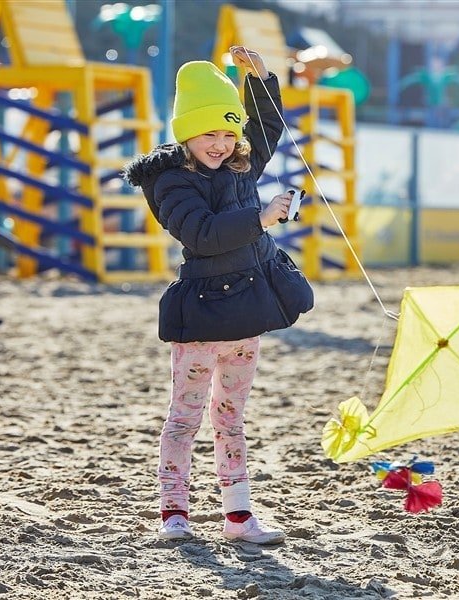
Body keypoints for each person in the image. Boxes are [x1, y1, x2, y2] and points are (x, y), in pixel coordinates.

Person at [122, 48, 292, 544]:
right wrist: (261, 219)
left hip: (247, 313)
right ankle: (174, 510)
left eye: (226, 133)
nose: (219, 144)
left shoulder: (241, 165)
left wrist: (260, 79)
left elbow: (266, 126)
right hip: (200, 315)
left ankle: (239, 516)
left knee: (231, 418)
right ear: (185, 133)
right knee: (185, 417)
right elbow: (200, 233)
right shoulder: (172, 180)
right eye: (207, 133)